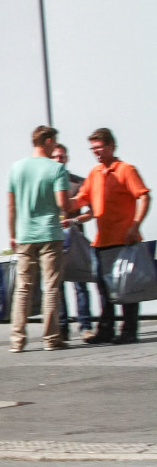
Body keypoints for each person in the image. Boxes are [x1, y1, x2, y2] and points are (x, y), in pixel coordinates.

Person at [72, 128, 150, 345]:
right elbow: (80, 201)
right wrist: (62, 203)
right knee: (104, 290)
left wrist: (134, 226)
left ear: (111, 146)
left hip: (124, 240)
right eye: (93, 149)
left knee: (128, 288)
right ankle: (106, 329)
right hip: (102, 242)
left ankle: (129, 331)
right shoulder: (95, 173)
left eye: (100, 148)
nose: (96, 152)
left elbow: (144, 197)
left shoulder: (126, 170)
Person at [6, 126, 72, 352]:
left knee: (23, 288)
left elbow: (11, 205)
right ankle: (51, 339)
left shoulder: (16, 168)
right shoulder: (56, 169)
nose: (55, 147)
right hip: (50, 233)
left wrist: (12, 233)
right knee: (51, 287)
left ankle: (17, 340)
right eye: (54, 143)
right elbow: (63, 204)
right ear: (49, 141)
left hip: (24, 234)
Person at [52, 142, 92, 336]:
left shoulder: (78, 183)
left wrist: (75, 220)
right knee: (57, 286)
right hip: (55, 240)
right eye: (55, 157)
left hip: (76, 239)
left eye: (62, 156)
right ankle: (62, 328)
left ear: (66, 158)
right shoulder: (46, 184)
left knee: (80, 283)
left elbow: (93, 211)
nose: (59, 160)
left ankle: (85, 326)